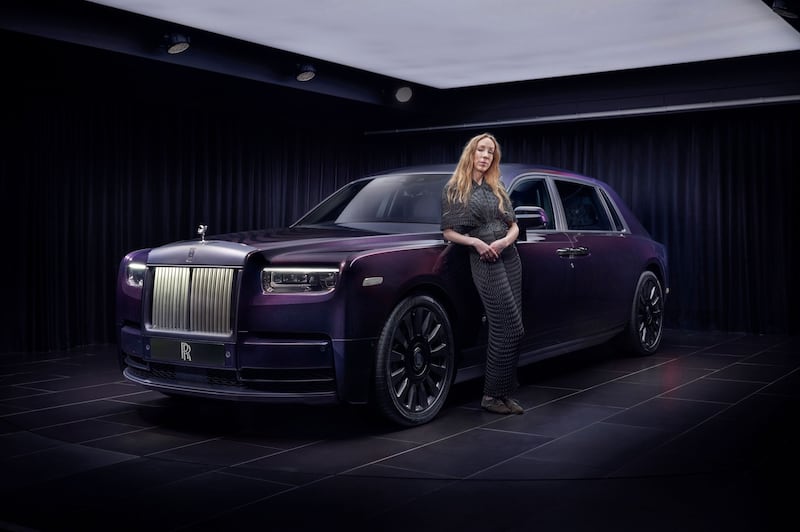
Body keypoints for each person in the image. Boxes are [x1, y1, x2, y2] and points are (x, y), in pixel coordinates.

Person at [440, 133, 525, 415]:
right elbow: (449, 231)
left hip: (508, 255)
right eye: (481, 150)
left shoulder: (497, 187)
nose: (486, 155)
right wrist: (476, 243)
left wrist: (503, 242)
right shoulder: (455, 189)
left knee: (513, 329)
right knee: (508, 326)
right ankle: (490, 397)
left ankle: (503, 394)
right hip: (483, 258)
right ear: (471, 153)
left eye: (491, 152)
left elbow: (514, 225)